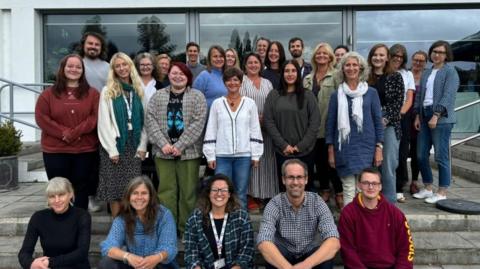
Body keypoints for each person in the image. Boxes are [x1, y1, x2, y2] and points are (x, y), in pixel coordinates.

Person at [146, 62, 207, 235]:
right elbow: (150, 121)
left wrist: (179, 145)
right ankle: (168, 229)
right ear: (169, 75)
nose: (178, 76)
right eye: (174, 73)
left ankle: (186, 228)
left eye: (182, 73)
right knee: (166, 192)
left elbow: (198, 123)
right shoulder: (158, 96)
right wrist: (164, 144)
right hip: (163, 152)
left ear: (188, 77)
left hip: (189, 152)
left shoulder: (197, 96)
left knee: (188, 192)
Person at [35, 54, 99, 210]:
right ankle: (60, 226)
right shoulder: (48, 94)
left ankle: (80, 223)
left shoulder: (93, 94)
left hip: (84, 150)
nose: (74, 69)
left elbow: (94, 117)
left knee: (81, 188)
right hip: (55, 150)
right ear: (62, 69)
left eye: (78, 67)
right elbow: (42, 118)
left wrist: (74, 133)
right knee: (59, 189)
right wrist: (64, 132)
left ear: (82, 71)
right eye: (70, 66)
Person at [257, 159, 340, 269]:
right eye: (291, 177)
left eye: (299, 177)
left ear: (306, 180)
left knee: (326, 257)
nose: (295, 182)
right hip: (285, 256)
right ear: (283, 180)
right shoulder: (274, 204)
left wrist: (306, 265)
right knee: (272, 255)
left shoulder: (317, 202)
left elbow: (334, 241)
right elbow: (263, 241)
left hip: (309, 255)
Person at [326, 52, 384, 205]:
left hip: (366, 148)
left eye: (354, 65)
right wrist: (331, 150)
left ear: (361, 68)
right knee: (349, 189)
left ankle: (364, 226)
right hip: (344, 148)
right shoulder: (336, 95)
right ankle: (349, 227)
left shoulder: (371, 93)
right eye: (347, 65)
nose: (351, 68)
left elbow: (378, 121)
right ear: (342, 69)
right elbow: (330, 124)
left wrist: (379, 147)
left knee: (364, 189)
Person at [203, 67, 264, 207]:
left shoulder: (250, 103)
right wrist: (210, 155)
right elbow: (211, 129)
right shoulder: (217, 104)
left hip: (244, 156)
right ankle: (224, 224)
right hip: (222, 156)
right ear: (224, 83)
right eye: (229, 80)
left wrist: (256, 154)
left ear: (241, 82)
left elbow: (255, 129)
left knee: (241, 193)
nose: (232, 83)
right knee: (222, 192)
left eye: (236, 80)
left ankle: (242, 226)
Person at [97, 52, 148, 217]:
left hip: (134, 145)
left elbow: (146, 120)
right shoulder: (108, 90)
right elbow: (104, 123)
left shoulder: (139, 89)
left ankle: (133, 230)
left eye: (124, 64)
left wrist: (142, 146)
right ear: (113, 69)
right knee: (115, 192)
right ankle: (117, 231)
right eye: (117, 66)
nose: (122, 68)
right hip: (115, 146)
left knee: (134, 191)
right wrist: (112, 149)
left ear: (130, 66)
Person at [338, 167, 414, 269]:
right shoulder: (348, 213)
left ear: (380, 186)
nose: (370, 187)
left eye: (374, 183)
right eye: (366, 183)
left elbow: (406, 248)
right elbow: (347, 250)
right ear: (359, 185)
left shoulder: (395, 213)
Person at [413, 40, 460, 203]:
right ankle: (427, 187)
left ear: (446, 55)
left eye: (440, 52)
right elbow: (419, 96)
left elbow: (448, 95)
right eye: (434, 51)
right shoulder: (427, 72)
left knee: (441, 156)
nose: (436, 54)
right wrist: (418, 116)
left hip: (441, 118)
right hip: (424, 115)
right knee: (420, 155)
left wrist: (436, 115)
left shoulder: (450, 71)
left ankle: (442, 191)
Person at [264, 60, 320, 192]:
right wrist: (284, 145)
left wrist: (300, 146)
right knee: (286, 187)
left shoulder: (308, 95)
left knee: (305, 187)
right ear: (282, 73)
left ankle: (306, 212)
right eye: (286, 71)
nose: (290, 74)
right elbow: (269, 121)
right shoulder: (274, 95)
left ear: (298, 73)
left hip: (305, 151)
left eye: (293, 71)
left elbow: (315, 122)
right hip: (283, 151)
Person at [98, 176, 178, 269]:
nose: (139, 197)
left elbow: (169, 247)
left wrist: (155, 258)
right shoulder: (122, 218)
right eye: (135, 193)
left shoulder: (164, 215)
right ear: (129, 197)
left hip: (159, 264)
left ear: (151, 196)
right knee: (106, 263)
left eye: (144, 193)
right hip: (135, 264)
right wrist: (128, 256)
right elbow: (108, 246)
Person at [18, 177, 92, 269]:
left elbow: (82, 252)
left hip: (75, 266)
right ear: (48, 199)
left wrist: (49, 262)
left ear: (70, 194)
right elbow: (24, 252)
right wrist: (31, 263)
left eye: (61, 195)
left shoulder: (82, 216)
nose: (57, 200)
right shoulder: (38, 217)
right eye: (52, 196)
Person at [184, 174, 255, 269]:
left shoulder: (241, 217)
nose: (219, 193)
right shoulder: (195, 218)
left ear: (229, 194)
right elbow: (191, 253)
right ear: (208, 193)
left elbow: (247, 251)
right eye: (214, 190)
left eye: (224, 190)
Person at [303, 42, 344, 209]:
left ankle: (339, 193)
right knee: (319, 162)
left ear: (330, 57)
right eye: (318, 54)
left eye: (324, 54)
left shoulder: (336, 76)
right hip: (311, 128)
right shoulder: (306, 78)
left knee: (332, 162)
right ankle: (325, 189)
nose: (321, 56)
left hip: (330, 125)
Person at [240, 52, 278, 210]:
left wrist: (267, 118)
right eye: (250, 62)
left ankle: (267, 194)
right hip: (247, 129)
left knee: (267, 159)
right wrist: (254, 118)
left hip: (267, 129)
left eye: (256, 62)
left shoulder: (267, 83)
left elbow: (273, 103)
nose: (253, 65)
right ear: (245, 65)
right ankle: (251, 195)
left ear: (261, 64)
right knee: (251, 161)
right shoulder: (241, 82)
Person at [367, 44, 404, 204]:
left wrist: (384, 118)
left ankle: (389, 203)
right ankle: (370, 202)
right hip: (368, 124)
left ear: (387, 57)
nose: (378, 58)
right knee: (370, 165)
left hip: (388, 124)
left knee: (388, 165)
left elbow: (397, 103)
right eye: (375, 55)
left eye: (382, 55)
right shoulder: (365, 77)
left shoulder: (395, 76)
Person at [78, 31, 109, 212]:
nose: (93, 47)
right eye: (90, 44)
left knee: (98, 160)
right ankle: (83, 195)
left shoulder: (107, 66)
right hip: (80, 118)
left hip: (102, 118)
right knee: (84, 160)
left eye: (97, 44)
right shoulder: (76, 64)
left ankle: (95, 195)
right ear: (84, 44)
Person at [390, 44, 416, 203]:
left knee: (401, 153)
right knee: (386, 154)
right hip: (385, 116)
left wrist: (400, 114)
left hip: (402, 116)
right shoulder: (385, 73)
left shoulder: (407, 74)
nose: (398, 59)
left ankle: (398, 187)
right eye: (395, 55)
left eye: (401, 57)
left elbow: (410, 97)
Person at [134, 52, 162, 189]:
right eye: (142, 64)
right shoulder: (131, 84)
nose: (145, 67)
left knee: (156, 171)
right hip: (135, 133)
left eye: (148, 64)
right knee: (137, 170)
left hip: (156, 134)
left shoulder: (161, 86)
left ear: (153, 66)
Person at [409, 50, 428, 195]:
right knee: (402, 150)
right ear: (412, 60)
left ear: (425, 63)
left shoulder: (427, 77)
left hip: (419, 118)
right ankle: (401, 178)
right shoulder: (406, 74)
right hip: (404, 115)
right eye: (416, 60)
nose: (418, 63)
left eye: (421, 61)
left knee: (417, 151)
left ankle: (414, 180)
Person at [193, 45, 227, 109]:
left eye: (221, 56)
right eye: (215, 56)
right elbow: (194, 100)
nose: (218, 59)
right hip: (208, 117)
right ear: (209, 58)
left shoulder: (227, 75)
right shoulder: (204, 76)